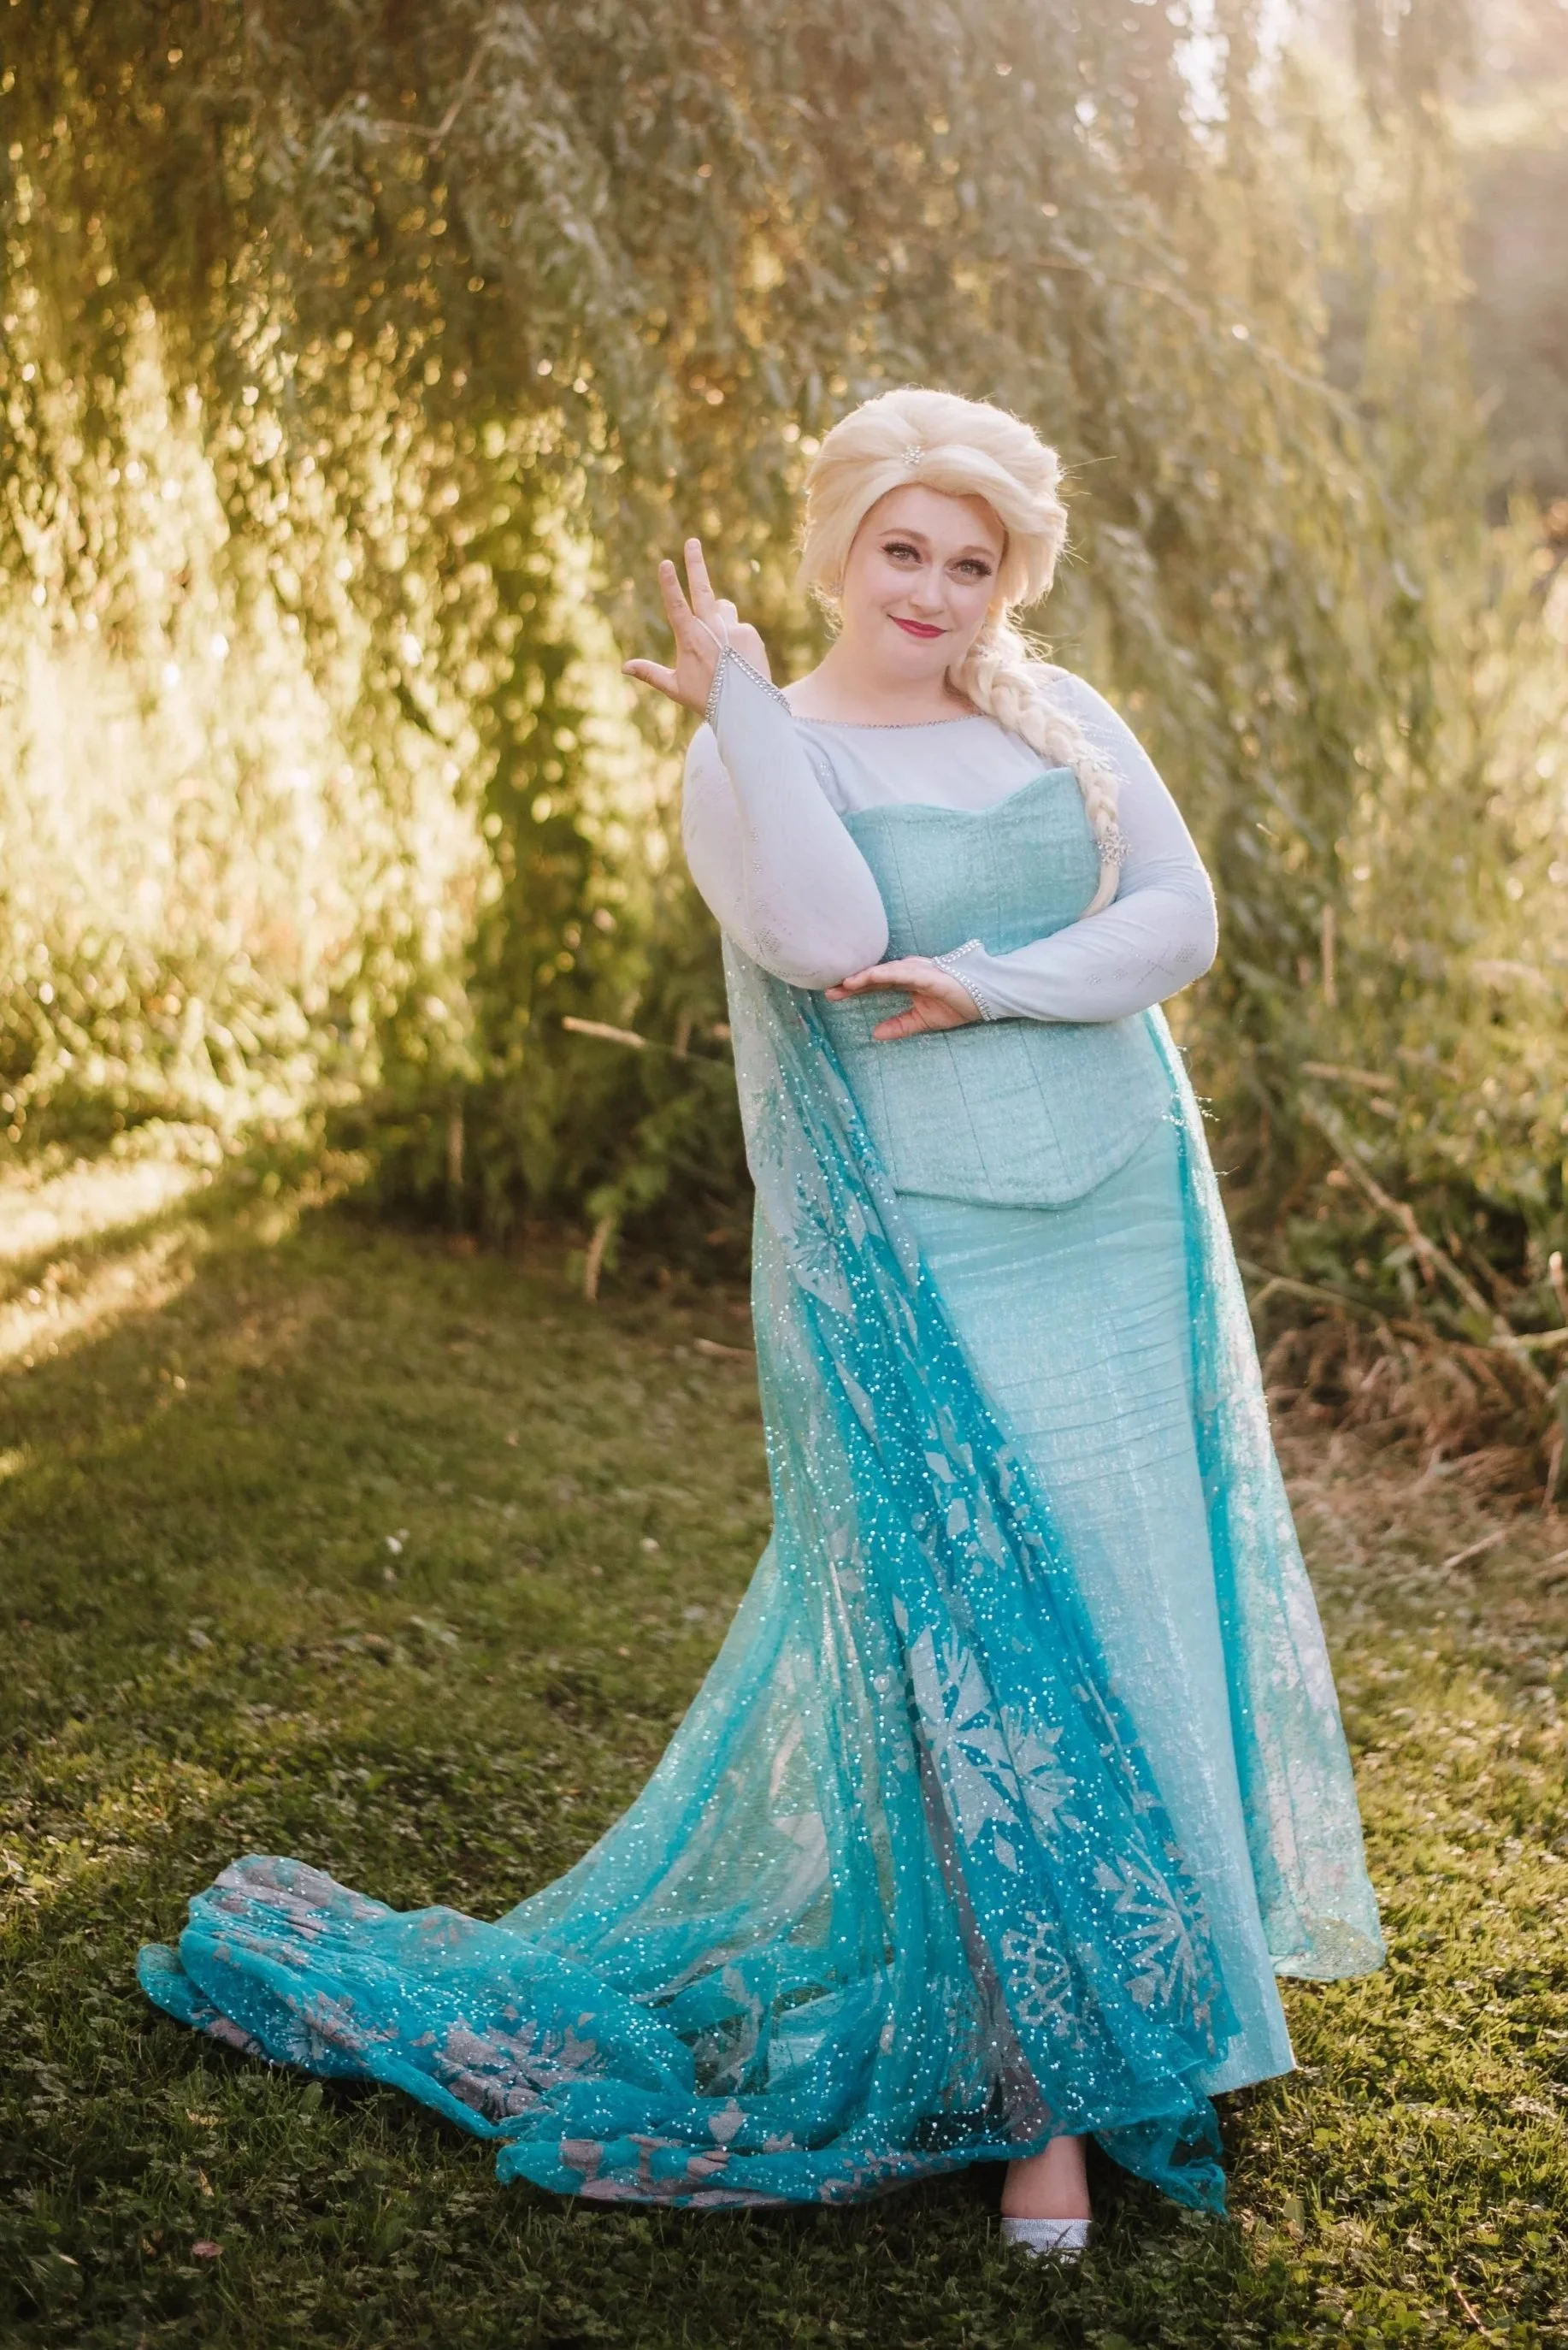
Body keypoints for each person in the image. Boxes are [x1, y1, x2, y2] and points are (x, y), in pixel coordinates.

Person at [139, 387, 1382, 2259]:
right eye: (902, 551)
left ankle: (1163, 2003)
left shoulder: (1058, 714)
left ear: (1011, 577)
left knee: (1134, 1613)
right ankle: (1036, 2106)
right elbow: (817, 934)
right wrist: (737, 703)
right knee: (976, 1658)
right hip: (919, 1250)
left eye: (971, 564)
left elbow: (1175, 922)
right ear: (838, 549)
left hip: (1118, 1213)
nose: (932, 592)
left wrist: (983, 982)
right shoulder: (753, 754)